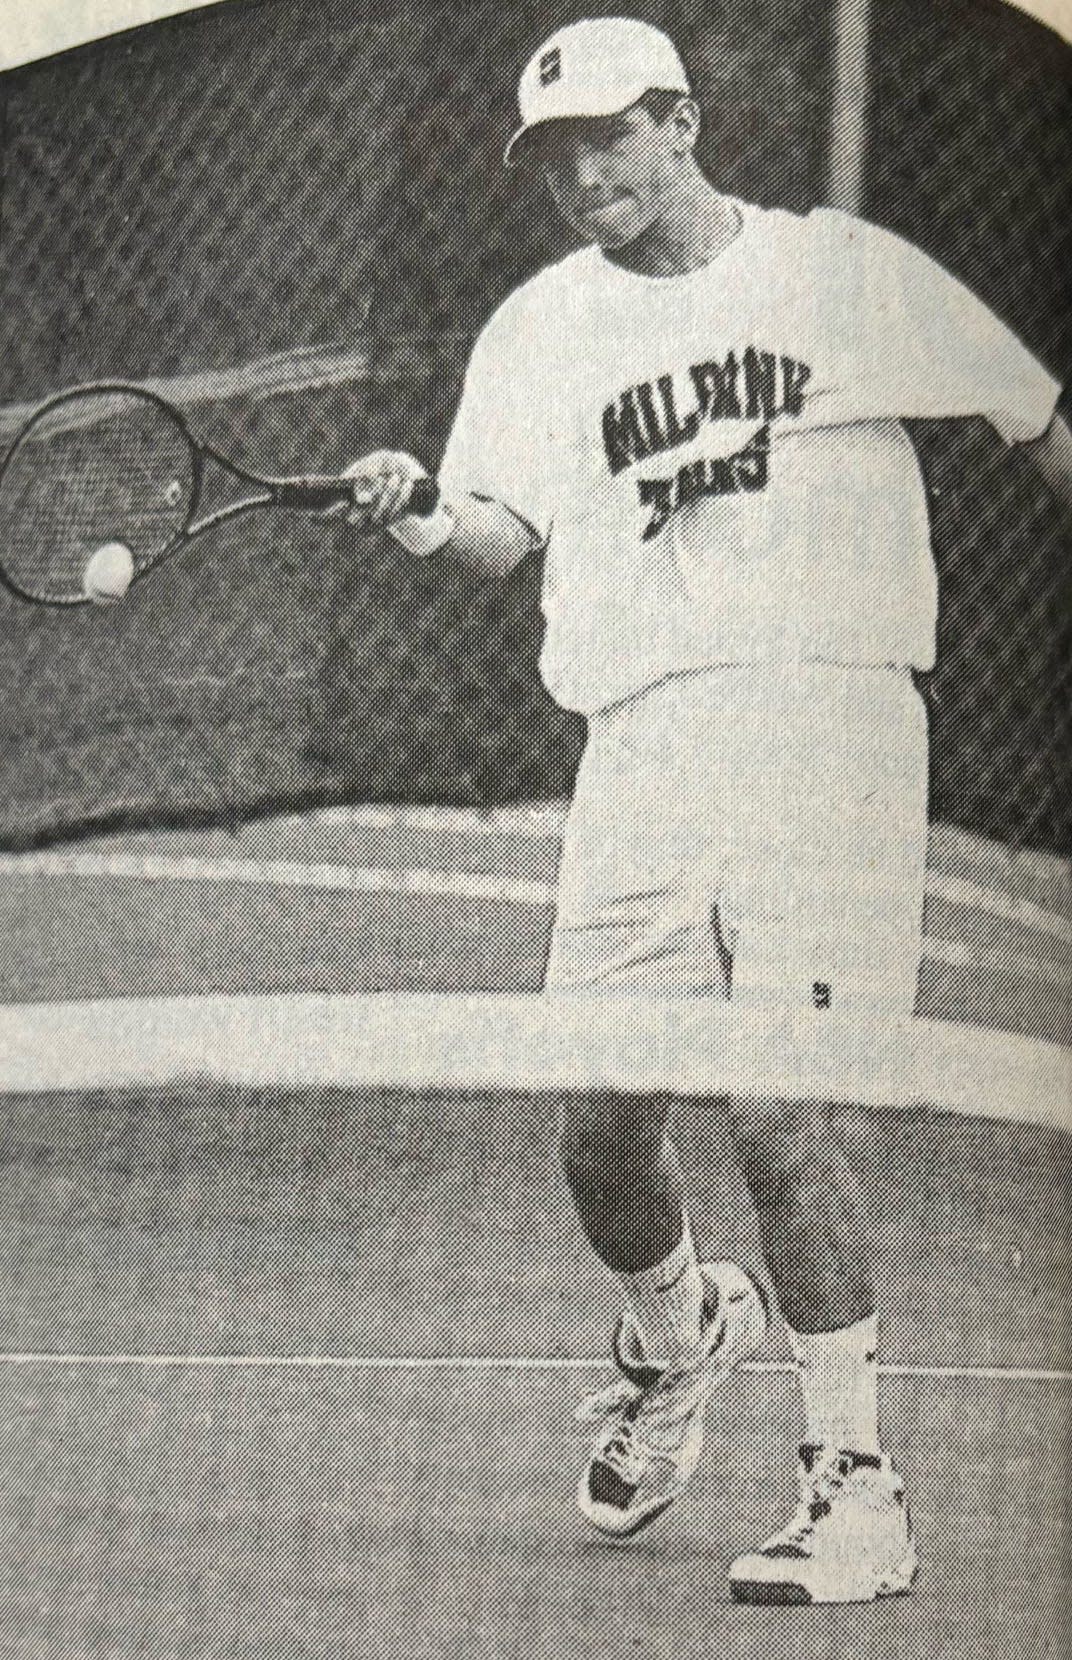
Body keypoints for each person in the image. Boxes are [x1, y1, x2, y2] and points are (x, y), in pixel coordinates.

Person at [338, 16, 1072, 1604]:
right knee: (600, 1122)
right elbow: (495, 531)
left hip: (828, 714)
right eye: (550, 156)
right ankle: (682, 1333)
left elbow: (1038, 418)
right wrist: (418, 517)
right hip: (643, 740)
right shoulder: (536, 329)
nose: (580, 174)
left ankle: (855, 1491)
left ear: (681, 118)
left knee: (781, 1108)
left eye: (608, 137)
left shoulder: (837, 272)